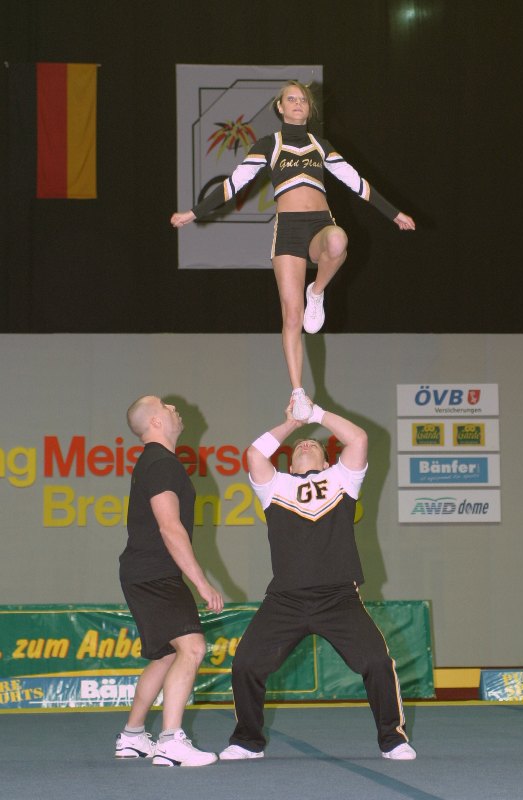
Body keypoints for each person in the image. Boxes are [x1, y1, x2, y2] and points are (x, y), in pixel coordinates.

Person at [171, 81, 415, 422]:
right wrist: (193, 213)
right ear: (280, 107)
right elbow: (232, 184)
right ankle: (298, 392)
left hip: (319, 224)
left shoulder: (320, 145)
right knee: (291, 315)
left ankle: (317, 291)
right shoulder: (268, 145)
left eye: (303, 99)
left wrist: (394, 213)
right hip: (287, 231)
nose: (298, 103)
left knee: (338, 240)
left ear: (309, 109)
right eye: (291, 98)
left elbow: (357, 182)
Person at [218, 395, 416, 761]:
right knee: (246, 663)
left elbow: (358, 439)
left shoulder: (342, 479)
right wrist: (293, 422)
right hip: (285, 600)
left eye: (314, 444)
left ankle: (393, 739)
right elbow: (254, 455)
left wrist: (317, 413)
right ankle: (247, 741)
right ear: (289, 464)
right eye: (298, 446)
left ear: (328, 462)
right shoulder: (274, 486)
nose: (306, 444)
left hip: (338, 598)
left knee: (376, 662)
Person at [115, 395, 224, 767]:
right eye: (165, 406)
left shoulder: (153, 462)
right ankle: (170, 741)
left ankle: (132, 736)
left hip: (142, 571)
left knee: (166, 655)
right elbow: (169, 527)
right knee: (192, 648)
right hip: (155, 573)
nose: (175, 408)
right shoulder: (162, 463)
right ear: (155, 422)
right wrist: (201, 583)